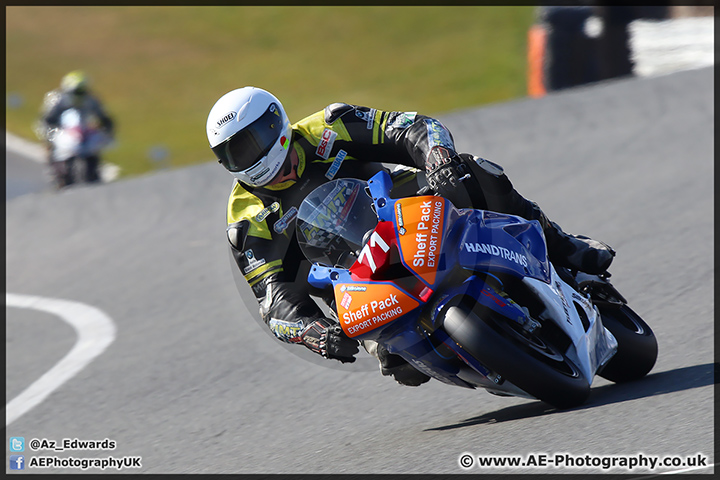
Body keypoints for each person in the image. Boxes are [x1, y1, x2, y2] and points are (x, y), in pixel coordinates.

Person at [206, 87, 615, 387]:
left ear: (276, 124)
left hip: (404, 209)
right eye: (232, 154)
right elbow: (274, 301)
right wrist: (313, 332)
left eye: (251, 143)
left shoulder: (328, 128)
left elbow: (415, 128)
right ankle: (468, 356)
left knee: (475, 172)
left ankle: (561, 245)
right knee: (398, 365)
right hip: (352, 273)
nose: (249, 159)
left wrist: (437, 158)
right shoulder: (246, 219)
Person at [35, 71, 114, 187]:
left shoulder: (91, 99)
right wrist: (50, 135)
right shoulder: (57, 99)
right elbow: (46, 120)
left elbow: (105, 118)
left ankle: (93, 171)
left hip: (84, 131)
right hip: (63, 132)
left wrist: (106, 131)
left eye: (82, 91)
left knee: (93, 148)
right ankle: (57, 172)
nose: (79, 95)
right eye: (76, 91)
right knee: (51, 150)